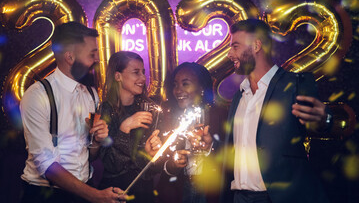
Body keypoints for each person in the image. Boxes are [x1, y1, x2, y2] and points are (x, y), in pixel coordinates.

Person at [199, 19, 332, 203]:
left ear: (256, 45)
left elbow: (317, 125)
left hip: (279, 198)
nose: (229, 54)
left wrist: (324, 119)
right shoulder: (239, 96)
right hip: (240, 198)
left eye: (235, 46)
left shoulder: (295, 84)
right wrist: (211, 146)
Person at [19, 22, 127, 203]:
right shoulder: (38, 95)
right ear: (70, 57)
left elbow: (88, 154)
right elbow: (46, 164)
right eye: (91, 54)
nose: (97, 60)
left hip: (84, 190)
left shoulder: (91, 95)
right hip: (46, 195)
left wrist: (97, 141)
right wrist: (95, 195)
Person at [157, 62, 227, 203]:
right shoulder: (168, 117)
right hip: (178, 191)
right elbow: (158, 165)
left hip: (209, 191)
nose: (178, 90)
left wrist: (209, 147)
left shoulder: (220, 115)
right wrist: (172, 165)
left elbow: (230, 159)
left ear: (201, 88)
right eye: (175, 84)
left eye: (185, 84)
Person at [98, 51, 162, 203]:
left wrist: (152, 154)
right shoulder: (105, 110)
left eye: (143, 72)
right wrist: (124, 128)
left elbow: (153, 169)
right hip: (115, 194)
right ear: (118, 76)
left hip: (144, 193)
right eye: (136, 73)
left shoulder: (149, 109)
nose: (142, 78)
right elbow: (111, 164)